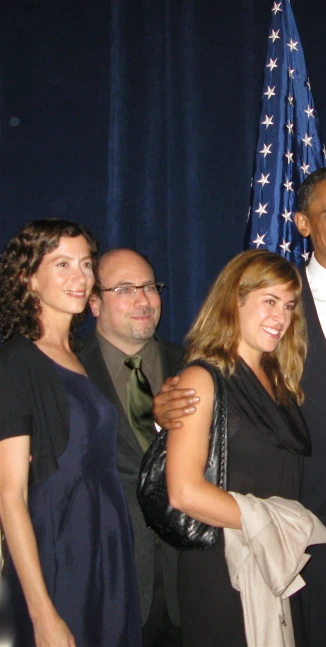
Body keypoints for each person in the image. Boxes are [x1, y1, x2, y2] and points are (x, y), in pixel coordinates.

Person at [155, 167, 326, 647]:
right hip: (310, 523)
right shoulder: (283, 299)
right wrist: (168, 404)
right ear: (303, 223)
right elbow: (227, 370)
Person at [0, 219, 141, 647]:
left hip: (104, 544)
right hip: (59, 548)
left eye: (85, 263)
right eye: (62, 264)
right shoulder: (18, 361)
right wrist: (41, 612)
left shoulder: (77, 355)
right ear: (28, 279)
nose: (80, 277)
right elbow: (10, 495)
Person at [164, 249, 313, 647]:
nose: (280, 317)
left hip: (276, 560)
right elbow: (183, 491)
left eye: (288, 305)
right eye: (269, 301)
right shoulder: (202, 377)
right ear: (234, 300)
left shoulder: (280, 379)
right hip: (222, 568)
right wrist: (275, 522)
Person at [77, 249, 184, 647]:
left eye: (150, 287)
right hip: (104, 590)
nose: (144, 300)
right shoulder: (64, 371)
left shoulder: (196, 365)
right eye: (125, 289)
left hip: (190, 591)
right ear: (93, 303)